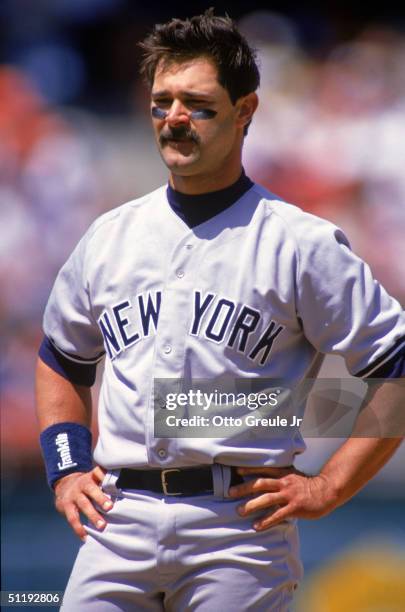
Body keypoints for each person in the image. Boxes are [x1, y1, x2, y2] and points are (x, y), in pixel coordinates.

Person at [36, 9, 405, 611]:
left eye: (197, 104)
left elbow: (396, 364)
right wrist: (67, 468)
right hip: (115, 523)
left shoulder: (300, 242)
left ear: (245, 111)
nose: (175, 118)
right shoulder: (109, 236)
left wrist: (331, 485)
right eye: (162, 102)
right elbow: (60, 357)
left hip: (237, 529)